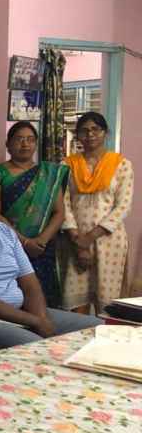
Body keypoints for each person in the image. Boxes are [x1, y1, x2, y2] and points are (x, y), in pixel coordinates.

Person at [0, 169, 101, 349]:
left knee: (97, 328)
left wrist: (40, 319)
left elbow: (29, 281)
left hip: (25, 312)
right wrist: (35, 322)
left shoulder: (4, 231)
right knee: (39, 347)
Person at [62, 112, 134, 313]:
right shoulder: (66, 166)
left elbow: (123, 206)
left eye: (96, 129)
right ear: (77, 135)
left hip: (109, 241)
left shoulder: (122, 165)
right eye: (84, 130)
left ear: (105, 133)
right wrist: (79, 242)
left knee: (108, 304)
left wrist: (89, 238)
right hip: (74, 240)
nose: (90, 134)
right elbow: (63, 204)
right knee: (77, 304)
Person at [0, 122, 69, 306]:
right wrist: (24, 242)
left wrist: (41, 241)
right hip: (9, 244)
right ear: (8, 144)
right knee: (14, 297)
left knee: (44, 298)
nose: (25, 144)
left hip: (43, 248)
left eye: (30, 139)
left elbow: (59, 212)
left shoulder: (49, 173)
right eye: (19, 139)